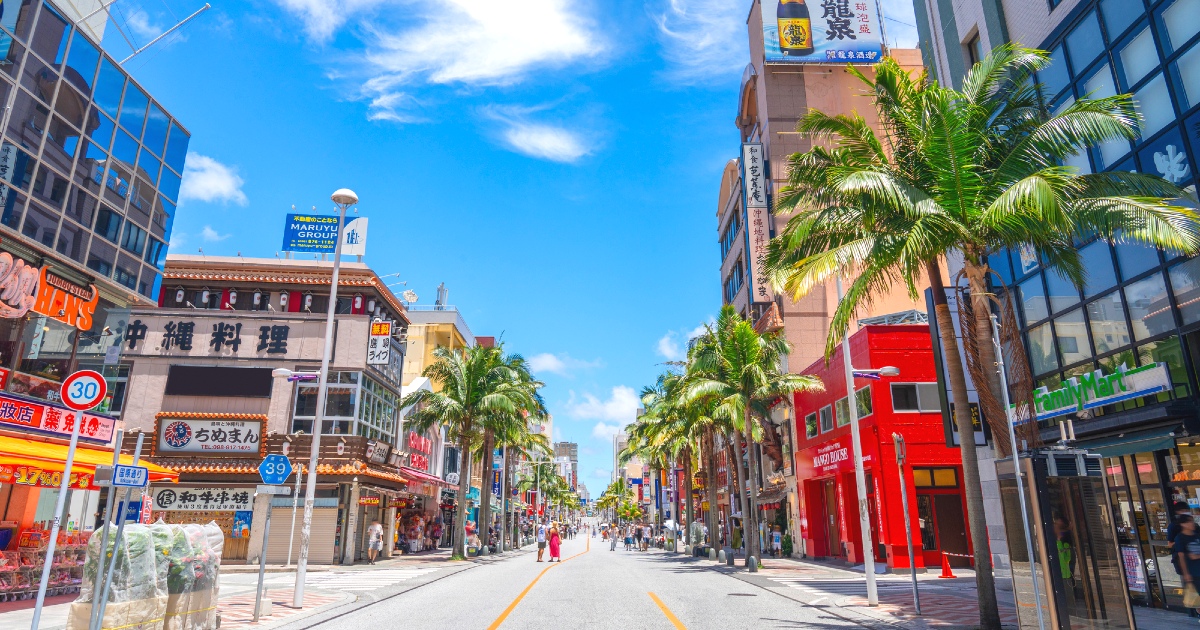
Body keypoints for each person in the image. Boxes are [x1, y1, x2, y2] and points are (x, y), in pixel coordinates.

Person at [1178, 515, 1200, 615]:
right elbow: (1181, 557)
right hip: (1194, 573)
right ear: (1183, 524)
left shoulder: (1197, 535)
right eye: (1189, 522)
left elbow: (1194, 556)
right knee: (1197, 601)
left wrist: (1196, 556)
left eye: (1192, 521)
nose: (1192, 523)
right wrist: (1186, 573)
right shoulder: (1180, 538)